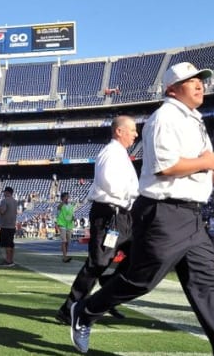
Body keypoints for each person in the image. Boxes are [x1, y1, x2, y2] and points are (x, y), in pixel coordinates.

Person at [70, 62, 214, 356]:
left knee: (206, 285)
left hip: (189, 214)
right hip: (163, 212)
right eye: (190, 80)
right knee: (141, 280)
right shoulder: (165, 117)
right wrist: (207, 164)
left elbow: (191, 162)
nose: (199, 84)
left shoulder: (192, 118)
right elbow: (165, 167)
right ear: (172, 88)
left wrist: (213, 176)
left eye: (200, 79)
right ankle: (86, 310)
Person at [56, 115, 139, 325]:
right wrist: (136, 194)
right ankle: (69, 309)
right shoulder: (110, 153)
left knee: (141, 255)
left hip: (124, 215)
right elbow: (109, 182)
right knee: (98, 263)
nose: (136, 134)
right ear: (119, 131)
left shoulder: (121, 155)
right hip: (109, 214)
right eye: (132, 130)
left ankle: (110, 284)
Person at [0, 186, 18, 267]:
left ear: (7, 192)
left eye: (4, 192)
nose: (3, 193)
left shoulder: (4, 201)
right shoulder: (15, 201)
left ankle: (8, 261)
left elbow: (2, 211)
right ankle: (11, 260)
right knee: (11, 244)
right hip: (12, 225)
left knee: (6, 244)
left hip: (5, 225)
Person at [56, 192, 75, 262]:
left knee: (67, 242)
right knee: (64, 241)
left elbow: (71, 214)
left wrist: (73, 218)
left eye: (68, 197)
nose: (68, 198)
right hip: (62, 225)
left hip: (69, 225)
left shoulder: (71, 206)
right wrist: (63, 201)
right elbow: (58, 208)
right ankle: (65, 257)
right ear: (62, 198)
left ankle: (65, 256)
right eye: (66, 197)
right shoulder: (60, 205)